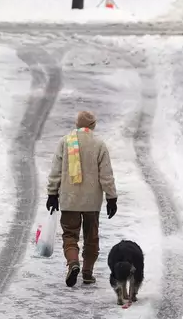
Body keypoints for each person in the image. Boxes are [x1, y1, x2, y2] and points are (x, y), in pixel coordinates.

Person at [46, 110, 118, 287]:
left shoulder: (65, 141)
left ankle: (73, 263)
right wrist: (111, 198)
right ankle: (87, 273)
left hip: (69, 200)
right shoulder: (99, 144)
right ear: (93, 125)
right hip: (91, 202)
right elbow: (106, 175)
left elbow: (56, 171)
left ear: (76, 124)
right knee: (91, 237)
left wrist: (52, 193)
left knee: (70, 234)